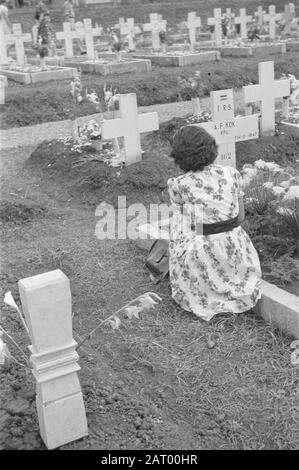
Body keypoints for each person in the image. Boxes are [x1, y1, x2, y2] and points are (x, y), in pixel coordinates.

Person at [167, 126, 261, 321]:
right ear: (211, 147)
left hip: (202, 249)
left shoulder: (179, 184)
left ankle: (200, 286)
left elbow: (183, 225)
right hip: (235, 246)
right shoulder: (232, 173)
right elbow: (240, 217)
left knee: (181, 229)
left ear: (178, 156)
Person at [0, 0, 12, 64]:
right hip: (5, 25)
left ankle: (4, 56)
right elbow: (6, 18)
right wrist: (10, 26)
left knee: (2, 41)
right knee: (10, 41)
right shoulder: (4, 8)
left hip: (0, 25)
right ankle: (7, 56)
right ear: (5, 2)